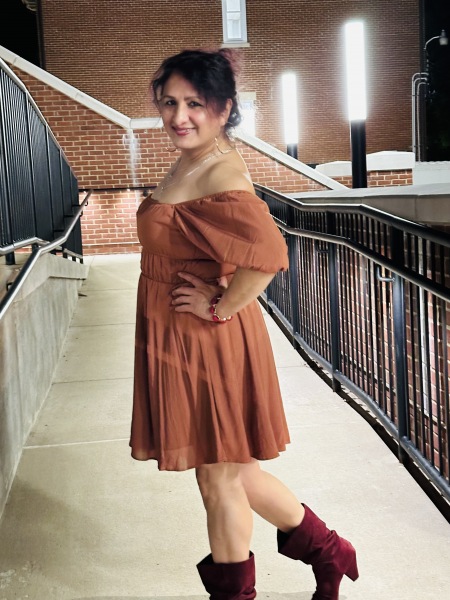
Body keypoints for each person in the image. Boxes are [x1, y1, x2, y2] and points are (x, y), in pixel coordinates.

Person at [130, 48, 358, 600]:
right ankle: (329, 551)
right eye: (169, 103)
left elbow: (269, 254)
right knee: (238, 472)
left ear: (224, 108)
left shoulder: (221, 171)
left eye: (194, 104)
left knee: (218, 479)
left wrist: (219, 305)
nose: (179, 116)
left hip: (207, 340)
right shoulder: (192, 159)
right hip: (182, 336)